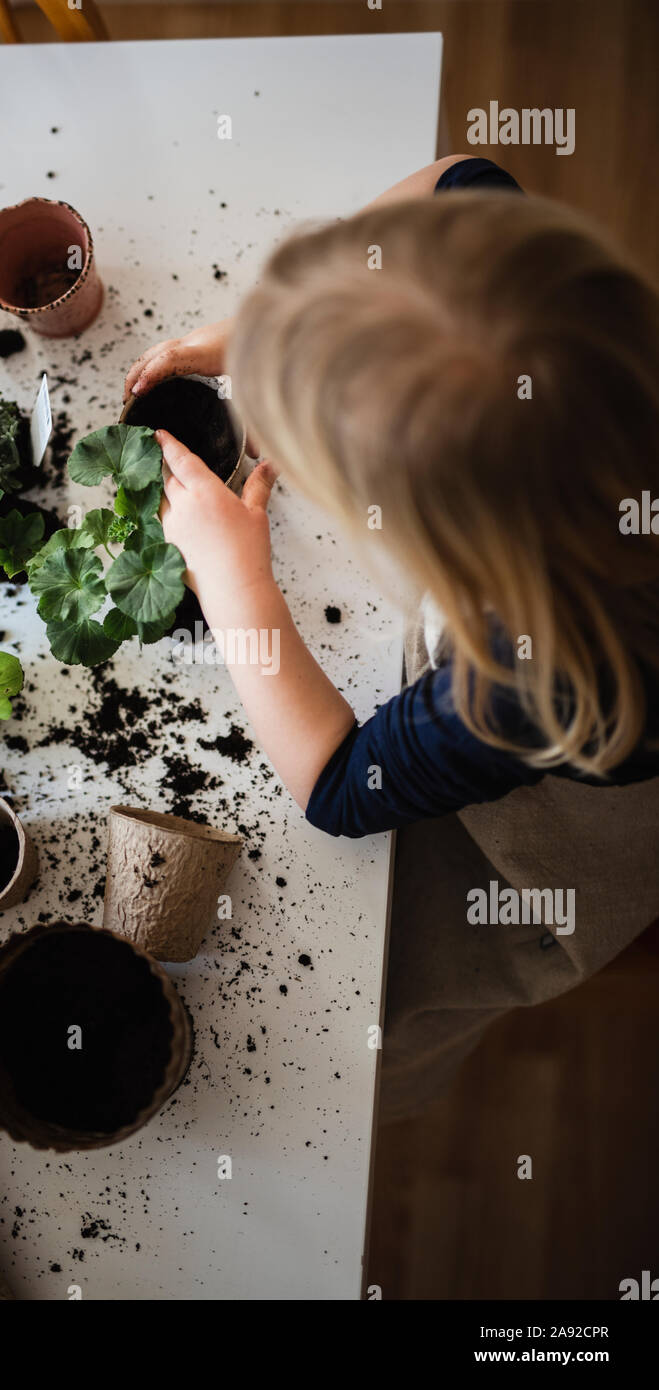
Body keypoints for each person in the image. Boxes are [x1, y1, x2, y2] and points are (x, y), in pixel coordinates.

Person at [124, 157, 659, 1121]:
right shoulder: (593, 359)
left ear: (438, 545)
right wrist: (278, 328)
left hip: (590, 836)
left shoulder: (533, 683)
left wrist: (234, 576)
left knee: (392, 990)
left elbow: (340, 786)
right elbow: (463, 173)